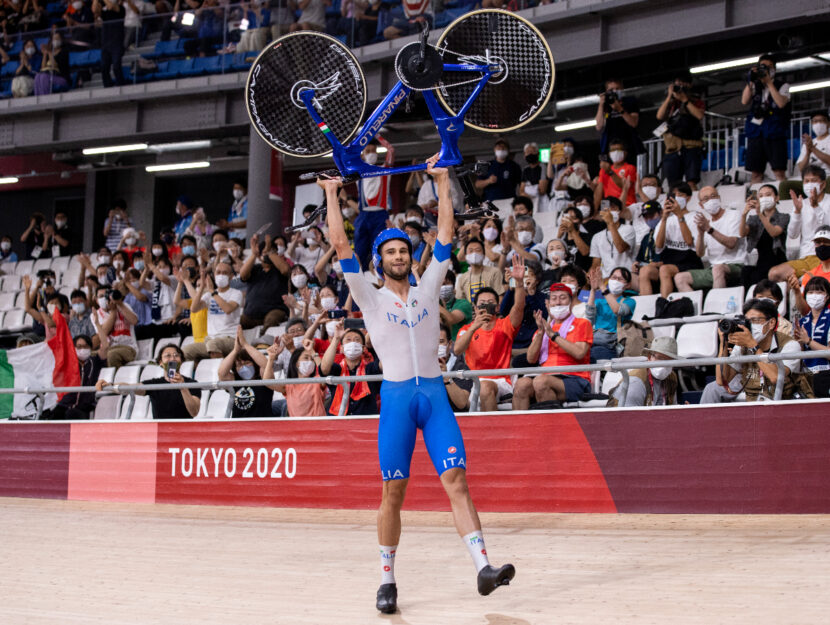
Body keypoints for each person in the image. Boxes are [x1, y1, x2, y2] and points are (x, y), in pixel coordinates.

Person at [320, 156, 516, 614]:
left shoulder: (429, 286)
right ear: (379, 260)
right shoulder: (368, 294)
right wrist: (331, 195)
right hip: (397, 397)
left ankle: (483, 568)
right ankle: (386, 579)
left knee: (458, 480)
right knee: (394, 493)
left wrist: (443, 183)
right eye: (390, 251)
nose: (399, 255)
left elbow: (446, 234)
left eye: (404, 250)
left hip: (433, 394)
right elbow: (338, 241)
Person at [700, 299, 808, 404]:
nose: (750, 325)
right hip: (755, 391)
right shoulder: (743, 345)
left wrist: (753, 346)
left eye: (755, 320)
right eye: (747, 321)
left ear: (771, 323)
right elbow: (722, 381)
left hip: (785, 399)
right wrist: (723, 343)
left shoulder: (790, 345)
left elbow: (776, 377)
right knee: (712, 388)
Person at [454, 258, 526, 411]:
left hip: (501, 381)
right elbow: (457, 350)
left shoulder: (505, 325)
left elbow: (519, 308)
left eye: (490, 303)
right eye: (482, 303)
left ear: (498, 307)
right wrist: (475, 327)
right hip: (475, 382)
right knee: (481, 388)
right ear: (474, 307)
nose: (486, 306)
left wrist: (519, 283)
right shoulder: (467, 329)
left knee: (485, 387)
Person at [512, 283, 593, 407]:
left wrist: (553, 335)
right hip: (546, 376)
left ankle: (549, 426)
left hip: (575, 378)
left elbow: (579, 353)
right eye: (554, 299)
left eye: (563, 298)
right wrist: (540, 332)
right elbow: (531, 359)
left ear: (571, 303)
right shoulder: (545, 327)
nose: (558, 302)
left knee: (541, 382)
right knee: (521, 384)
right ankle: (520, 426)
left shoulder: (582, 323)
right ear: (548, 304)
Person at [99, 344, 202, 418]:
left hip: (185, 432)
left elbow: (194, 412)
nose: (172, 358)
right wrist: (109, 385)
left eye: (176, 355)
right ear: (160, 362)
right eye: (167, 356)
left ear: (182, 361)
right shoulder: (155, 384)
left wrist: (183, 387)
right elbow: (130, 388)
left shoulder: (192, 384)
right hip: (160, 432)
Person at [675, 187, 745, 292]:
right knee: (680, 278)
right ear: (701, 205)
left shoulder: (733, 215)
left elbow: (731, 243)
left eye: (713, 196)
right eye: (706, 199)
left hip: (736, 265)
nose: (711, 200)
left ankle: (715, 306)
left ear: (719, 198)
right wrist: (701, 233)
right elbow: (699, 253)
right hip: (713, 269)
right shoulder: (707, 223)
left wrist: (709, 229)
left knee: (718, 269)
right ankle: (695, 307)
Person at [769, 166, 830, 282]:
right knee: (774, 273)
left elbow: (827, 230)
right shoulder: (801, 203)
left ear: (823, 184)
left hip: (825, 257)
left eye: (814, 181)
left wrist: (816, 206)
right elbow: (792, 234)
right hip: (805, 258)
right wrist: (797, 212)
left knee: (805, 280)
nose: (809, 184)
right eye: (806, 181)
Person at [741, 54, 791, 183]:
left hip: (775, 132)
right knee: (756, 173)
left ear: (774, 69)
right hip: (756, 132)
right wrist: (751, 80)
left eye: (769, 67)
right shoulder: (755, 85)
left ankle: (785, 198)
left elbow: (780, 103)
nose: (766, 70)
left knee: (779, 171)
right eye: (763, 67)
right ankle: (754, 200)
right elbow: (744, 101)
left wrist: (769, 83)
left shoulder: (783, 85)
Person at [182, 263, 243, 361]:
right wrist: (202, 287)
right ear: (214, 275)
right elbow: (194, 308)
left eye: (225, 273)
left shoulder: (236, 293)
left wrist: (212, 291)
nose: (221, 275)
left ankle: (221, 373)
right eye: (218, 272)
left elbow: (227, 309)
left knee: (213, 344)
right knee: (185, 351)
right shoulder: (209, 295)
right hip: (210, 340)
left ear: (231, 276)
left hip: (230, 339)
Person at [320, 321, 382, 415]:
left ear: (363, 348)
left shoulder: (371, 369)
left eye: (357, 340)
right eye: (348, 340)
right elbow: (324, 368)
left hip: (365, 424)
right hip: (338, 422)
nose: (353, 343)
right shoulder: (337, 369)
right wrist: (336, 338)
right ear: (341, 348)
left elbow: (384, 364)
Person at [655, 75, 705, 189]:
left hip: (691, 145)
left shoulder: (695, 101)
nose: (680, 86)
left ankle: (692, 203)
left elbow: (699, 115)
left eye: (683, 83)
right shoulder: (671, 103)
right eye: (678, 84)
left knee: (691, 181)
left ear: (689, 85)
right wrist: (669, 96)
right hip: (672, 147)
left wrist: (685, 100)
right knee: (673, 183)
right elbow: (659, 116)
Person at [354, 136, 395, 269]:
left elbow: (391, 150)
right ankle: (361, 277)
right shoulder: (358, 172)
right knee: (359, 251)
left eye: (373, 150)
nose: (371, 153)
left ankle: (379, 277)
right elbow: (350, 155)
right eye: (368, 151)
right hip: (363, 215)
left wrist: (376, 134)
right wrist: (361, 137)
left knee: (378, 249)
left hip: (380, 215)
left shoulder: (384, 170)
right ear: (363, 155)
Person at [48, 333, 107, 420]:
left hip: (84, 407)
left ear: (90, 348)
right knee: (50, 416)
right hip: (65, 405)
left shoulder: (95, 362)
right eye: (79, 347)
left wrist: (98, 324)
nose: (82, 349)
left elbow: (105, 346)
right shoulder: (68, 363)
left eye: (85, 346)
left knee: (71, 414)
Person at [739, 185, 789, 288]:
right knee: (746, 272)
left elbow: (774, 232)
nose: (764, 198)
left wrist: (760, 214)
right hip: (761, 262)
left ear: (777, 198)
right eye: (761, 196)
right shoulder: (754, 218)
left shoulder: (784, 217)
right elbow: (742, 233)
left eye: (768, 195)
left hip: (778, 261)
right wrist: (744, 215)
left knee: (760, 278)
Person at [609, 336, 680, 407]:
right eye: (660, 358)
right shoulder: (636, 383)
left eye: (669, 360)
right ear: (649, 357)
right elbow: (629, 416)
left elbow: (672, 410)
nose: (664, 364)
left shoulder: (672, 378)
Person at [218, 327, 273, 418]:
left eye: (247, 362)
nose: (243, 367)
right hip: (239, 426)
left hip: (262, 425)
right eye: (239, 364)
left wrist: (245, 344)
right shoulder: (235, 380)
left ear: (254, 364)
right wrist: (235, 350)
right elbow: (221, 374)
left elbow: (266, 365)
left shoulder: (263, 378)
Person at [239, 233, 290, 330]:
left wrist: (269, 251)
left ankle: (263, 344)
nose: (266, 254)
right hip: (251, 314)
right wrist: (254, 254)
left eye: (273, 251)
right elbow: (243, 275)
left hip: (275, 310)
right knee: (236, 325)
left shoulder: (280, 268)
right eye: (264, 252)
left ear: (276, 254)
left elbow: (285, 270)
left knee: (271, 320)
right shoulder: (255, 268)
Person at [265, 337, 327, 417]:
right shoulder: (289, 385)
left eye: (312, 359)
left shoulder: (317, 381)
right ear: (297, 363)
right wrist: (271, 358)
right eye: (306, 358)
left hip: (317, 426)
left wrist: (312, 352)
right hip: (296, 427)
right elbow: (267, 381)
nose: (310, 361)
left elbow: (324, 371)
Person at [586, 266, 636, 362]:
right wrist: (593, 289)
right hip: (594, 341)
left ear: (628, 285)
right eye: (613, 277)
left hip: (611, 345)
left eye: (620, 279)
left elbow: (618, 310)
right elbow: (589, 320)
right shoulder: (599, 302)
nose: (615, 281)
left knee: (593, 355)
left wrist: (602, 286)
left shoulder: (629, 301)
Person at [794, 276, 830, 397]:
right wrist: (798, 342)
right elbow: (799, 354)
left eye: (819, 292)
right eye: (810, 292)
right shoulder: (803, 322)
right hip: (806, 376)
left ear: (827, 296)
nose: (814, 295)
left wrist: (808, 341)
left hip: (826, 374)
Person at [500, 259, 546, 352]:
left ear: (537, 280)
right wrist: (511, 289)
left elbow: (542, 316)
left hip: (532, 346)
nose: (523, 278)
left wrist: (531, 294)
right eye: (521, 275)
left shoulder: (543, 297)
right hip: (511, 344)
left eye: (528, 275)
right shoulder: (511, 295)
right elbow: (503, 312)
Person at [590, 196, 636, 279]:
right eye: (606, 209)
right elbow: (596, 262)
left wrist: (610, 223)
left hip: (626, 275)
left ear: (620, 211)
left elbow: (620, 248)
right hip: (606, 277)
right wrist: (591, 273)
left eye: (613, 208)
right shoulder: (597, 237)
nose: (610, 212)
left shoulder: (628, 229)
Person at [595, 78, 641, 161]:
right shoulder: (605, 105)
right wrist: (601, 104)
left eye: (617, 88)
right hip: (610, 146)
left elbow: (634, 123)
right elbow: (599, 126)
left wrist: (620, 109)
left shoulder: (630, 102)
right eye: (611, 90)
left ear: (622, 89)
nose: (614, 91)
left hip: (628, 145)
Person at [91, 286, 138, 367]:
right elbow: (104, 333)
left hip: (128, 348)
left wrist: (119, 303)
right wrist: (113, 311)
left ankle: (116, 379)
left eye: (106, 295)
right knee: (89, 356)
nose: (104, 298)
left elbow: (134, 321)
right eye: (101, 296)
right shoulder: (95, 314)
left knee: (111, 355)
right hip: (108, 348)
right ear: (97, 300)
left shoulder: (124, 305)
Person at [455, 238, 504, 303]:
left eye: (478, 250)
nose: (474, 253)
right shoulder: (462, 278)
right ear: (466, 256)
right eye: (471, 250)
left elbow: (500, 296)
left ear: (484, 256)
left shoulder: (495, 272)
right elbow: (460, 302)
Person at [438, 323, 472, 412]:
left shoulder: (461, 368)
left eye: (441, 341)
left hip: (455, 418)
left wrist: (446, 378)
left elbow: (462, 403)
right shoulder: (421, 367)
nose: (437, 346)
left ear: (449, 344)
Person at [632, 200, 662, 294]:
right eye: (646, 216)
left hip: (661, 271)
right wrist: (635, 265)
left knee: (645, 271)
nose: (649, 219)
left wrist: (655, 264)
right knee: (623, 275)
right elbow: (639, 258)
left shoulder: (668, 231)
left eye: (651, 215)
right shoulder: (646, 237)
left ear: (660, 213)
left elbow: (671, 259)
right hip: (646, 270)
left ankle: (646, 303)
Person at [595, 139, 637, 206]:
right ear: (609, 154)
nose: (616, 152)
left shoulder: (630, 168)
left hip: (626, 204)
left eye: (618, 149)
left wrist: (610, 172)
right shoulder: (604, 169)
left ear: (625, 153)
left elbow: (625, 186)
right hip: (607, 205)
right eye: (613, 150)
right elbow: (599, 191)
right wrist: (595, 210)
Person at [94, 0, 126, 87]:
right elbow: (95, 10)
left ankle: (121, 85)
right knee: (104, 67)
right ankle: (108, 86)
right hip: (106, 43)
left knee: (116, 66)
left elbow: (112, 6)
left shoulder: (121, 9)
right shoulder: (105, 13)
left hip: (117, 42)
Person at [438, 269, 472, 340]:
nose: (443, 287)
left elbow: (451, 319)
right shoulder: (436, 306)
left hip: (461, 347)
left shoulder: (464, 303)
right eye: (441, 284)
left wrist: (434, 302)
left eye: (446, 283)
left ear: (453, 287)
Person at [797, 111, 830, 177]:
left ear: (828, 123)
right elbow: (801, 168)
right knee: (785, 184)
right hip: (810, 178)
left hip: (827, 176)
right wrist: (807, 154)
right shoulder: (808, 143)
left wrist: (813, 149)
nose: (818, 123)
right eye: (815, 121)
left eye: (821, 121)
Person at [518, 142, 550, 209]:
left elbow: (542, 190)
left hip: (543, 202)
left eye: (532, 152)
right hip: (529, 202)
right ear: (524, 155)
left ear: (538, 153)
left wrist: (529, 189)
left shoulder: (543, 167)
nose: (530, 154)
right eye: (527, 152)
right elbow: (521, 191)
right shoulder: (525, 170)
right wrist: (530, 194)